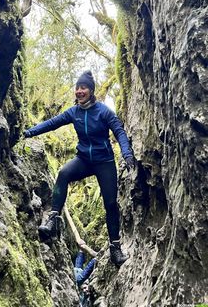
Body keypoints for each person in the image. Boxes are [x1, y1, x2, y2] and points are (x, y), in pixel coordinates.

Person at [24, 70, 135, 266]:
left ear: (91, 91)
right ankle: (53, 219)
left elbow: (119, 131)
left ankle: (115, 248)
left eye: (83, 87)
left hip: (104, 162)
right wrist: (29, 132)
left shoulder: (103, 111)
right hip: (83, 159)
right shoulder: (73, 112)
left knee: (110, 203)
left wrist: (126, 153)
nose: (79, 91)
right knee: (63, 174)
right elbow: (52, 123)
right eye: (77, 88)